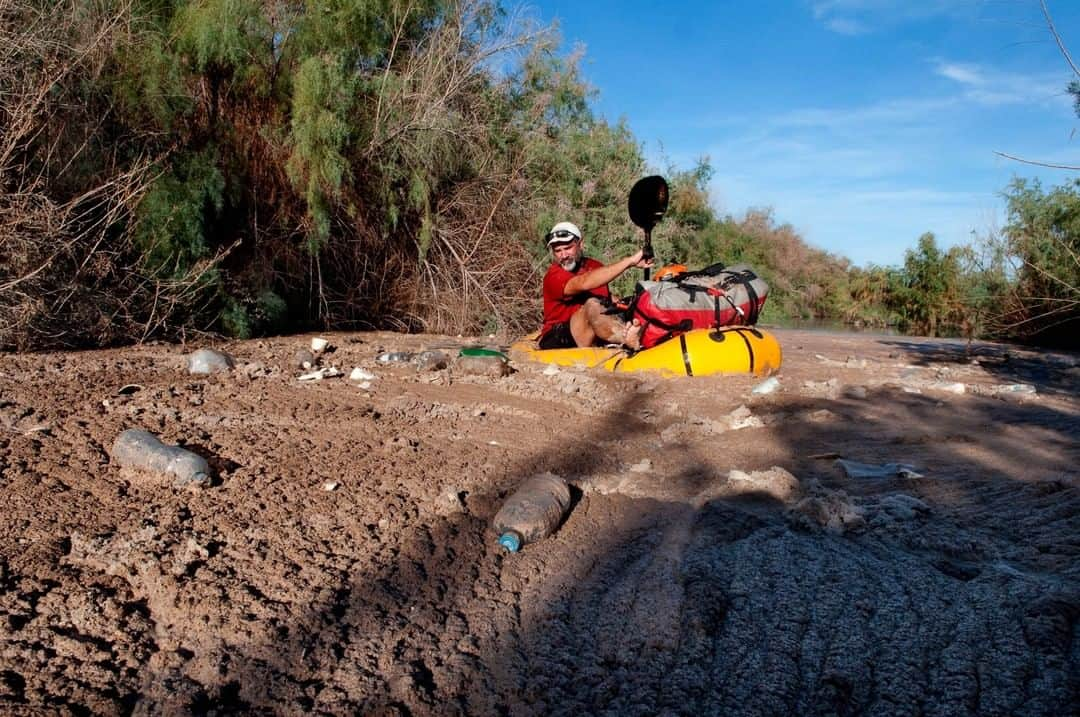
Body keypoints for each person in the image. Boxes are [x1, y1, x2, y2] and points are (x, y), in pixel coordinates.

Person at [539, 221, 654, 350]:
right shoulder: (553, 276)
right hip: (557, 336)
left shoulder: (595, 266)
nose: (563, 255)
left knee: (630, 303)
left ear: (580, 244)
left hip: (589, 331)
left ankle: (642, 334)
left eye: (568, 248)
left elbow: (604, 298)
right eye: (557, 251)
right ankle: (627, 338)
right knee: (592, 305)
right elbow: (583, 283)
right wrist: (630, 261)